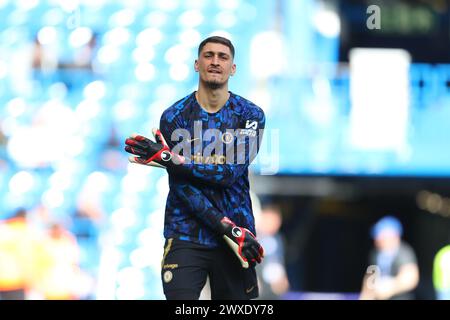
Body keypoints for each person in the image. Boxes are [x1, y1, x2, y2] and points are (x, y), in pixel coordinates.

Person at [124, 36, 265, 300]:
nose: (215, 61)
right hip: (187, 232)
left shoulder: (250, 115)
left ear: (233, 68)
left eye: (223, 57)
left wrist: (169, 159)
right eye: (208, 55)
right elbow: (183, 186)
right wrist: (225, 227)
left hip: (236, 239)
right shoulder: (174, 116)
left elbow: (228, 174)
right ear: (196, 64)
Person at [360, 216, 419, 300]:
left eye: (381, 236)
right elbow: (370, 277)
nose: (377, 240)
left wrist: (391, 287)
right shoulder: (375, 253)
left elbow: (411, 278)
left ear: (394, 236)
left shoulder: (404, 252)